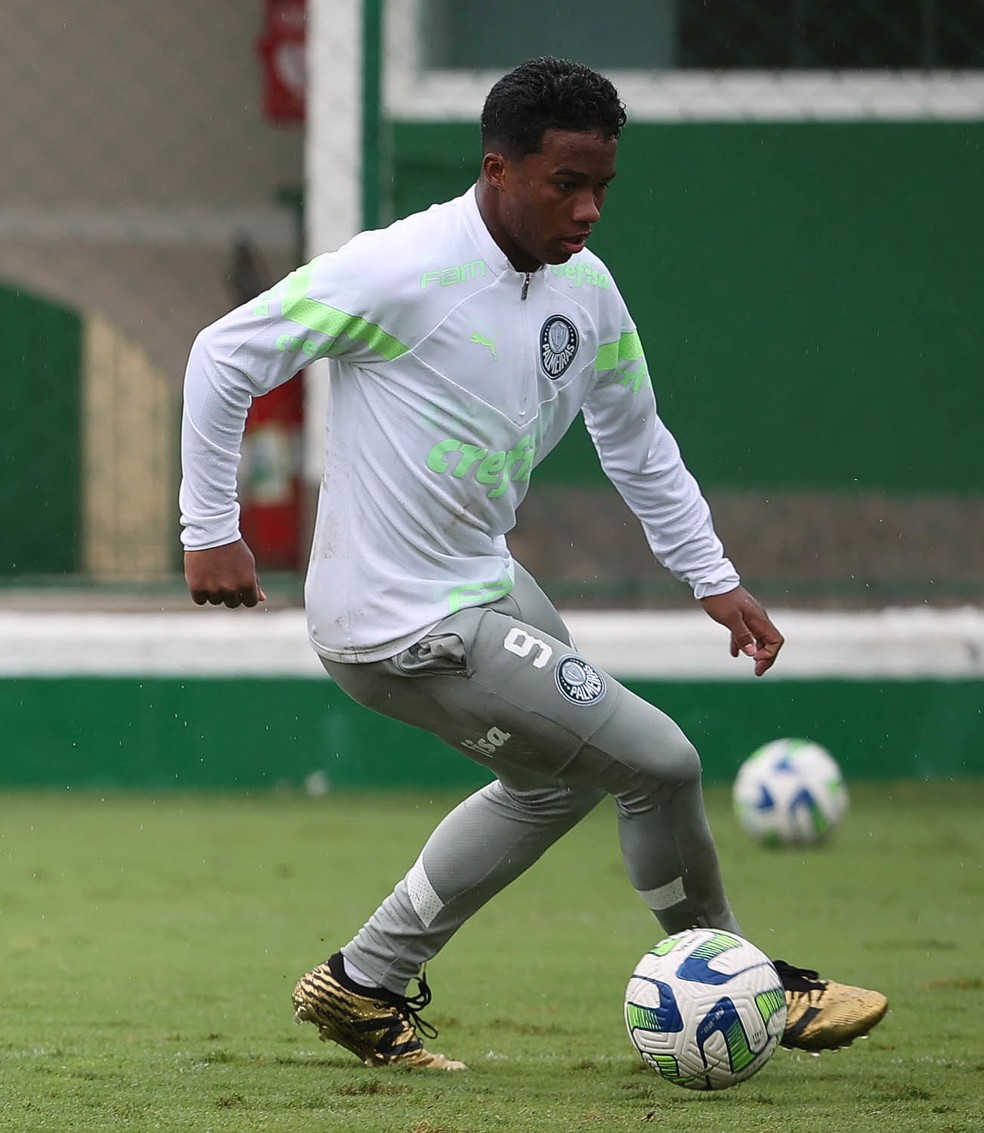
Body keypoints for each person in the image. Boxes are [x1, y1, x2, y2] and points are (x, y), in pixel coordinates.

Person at [180, 56, 888, 1071]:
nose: (591, 209)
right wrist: (210, 525)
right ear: (498, 168)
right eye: (568, 184)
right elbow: (224, 353)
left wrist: (713, 576)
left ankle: (366, 978)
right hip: (402, 619)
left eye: (604, 186)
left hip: (479, 583)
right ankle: (752, 978)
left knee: (557, 781)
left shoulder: (586, 291)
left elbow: (637, 442)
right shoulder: (399, 267)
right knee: (660, 762)